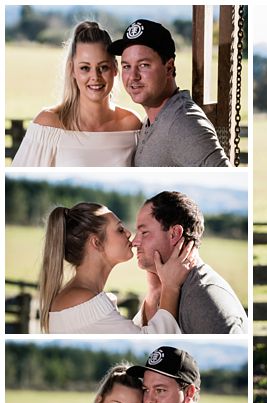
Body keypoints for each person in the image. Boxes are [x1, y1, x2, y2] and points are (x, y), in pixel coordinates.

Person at [38, 202, 194, 334]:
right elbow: (151, 342)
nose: (128, 233)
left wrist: (154, 292)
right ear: (96, 243)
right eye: (120, 229)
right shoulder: (82, 300)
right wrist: (170, 287)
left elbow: (130, 332)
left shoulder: (80, 297)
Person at [11, 21, 141, 167]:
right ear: (72, 70)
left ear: (115, 69)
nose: (95, 77)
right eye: (85, 68)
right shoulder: (48, 125)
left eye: (103, 67)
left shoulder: (132, 125)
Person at [109, 19, 231, 167]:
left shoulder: (184, 123)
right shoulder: (152, 120)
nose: (133, 76)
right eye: (127, 66)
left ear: (169, 68)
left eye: (143, 65)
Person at [132, 191, 249, 334]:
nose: (134, 242)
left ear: (174, 234)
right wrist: (155, 293)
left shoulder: (205, 299)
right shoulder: (164, 289)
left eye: (144, 233)